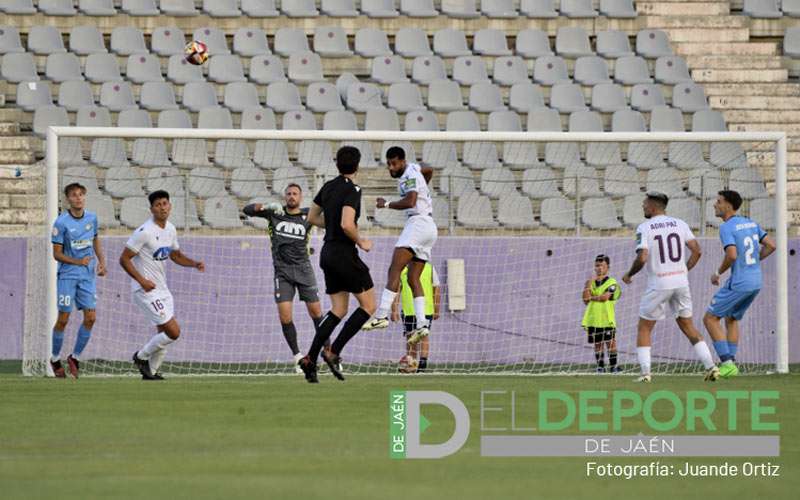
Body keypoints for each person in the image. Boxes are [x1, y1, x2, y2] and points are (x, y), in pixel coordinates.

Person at [297, 146, 377, 383]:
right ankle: (333, 352)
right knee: (369, 305)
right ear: (357, 165)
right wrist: (361, 241)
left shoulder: (328, 187)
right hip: (343, 253)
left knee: (338, 310)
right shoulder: (353, 189)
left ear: (337, 164)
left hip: (327, 253)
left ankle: (310, 358)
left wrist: (331, 226)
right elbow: (346, 224)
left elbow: (311, 218)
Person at [622, 191, 719, 383]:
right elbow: (697, 251)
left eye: (644, 204)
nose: (643, 206)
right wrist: (683, 270)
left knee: (644, 328)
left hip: (659, 283)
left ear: (652, 207)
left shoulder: (645, 227)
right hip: (681, 283)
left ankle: (645, 373)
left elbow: (642, 257)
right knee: (688, 325)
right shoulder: (680, 224)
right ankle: (711, 366)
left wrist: (629, 274)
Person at [243, 183, 333, 374]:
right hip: (282, 272)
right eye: (289, 194)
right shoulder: (275, 213)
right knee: (285, 316)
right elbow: (247, 210)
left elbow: (331, 219)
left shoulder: (309, 215)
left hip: (304, 270)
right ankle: (298, 357)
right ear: (285, 197)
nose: (292, 196)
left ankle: (329, 352)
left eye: (295, 194)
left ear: (300, 197)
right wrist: (266, 206)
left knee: (316, 313)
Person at [119, 190, 205, 380]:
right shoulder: (144, 232)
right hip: (144, 290)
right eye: (158, 205)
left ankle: (151, 372)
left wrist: (194, 263)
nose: (162, 207)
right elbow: (124, 259)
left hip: (162, 290)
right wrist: (142, 280)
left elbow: (175, 255)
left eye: (165, 203)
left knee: (162, 334)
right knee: (173, 332)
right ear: (152, 209)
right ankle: (140, 356)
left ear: (170, 206)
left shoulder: (171, 229)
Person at [363, 146, 437, 345]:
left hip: (418, 223)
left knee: (395, 268)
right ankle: (422, 324)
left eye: (394, 163)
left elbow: (411, 201)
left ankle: (382, 316)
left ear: (402, 162)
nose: (391, 167)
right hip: (430, 227)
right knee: (413, 277)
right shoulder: (414, 168)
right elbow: (429, 169)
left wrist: (386, 204)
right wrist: (424, 186)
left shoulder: (407, 177)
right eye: (388, 164)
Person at [703, 190, 776, 378]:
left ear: (728, 205)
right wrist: (754, 261)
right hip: (756, 281)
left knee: (710, 318)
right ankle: (732, 364)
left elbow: (732, 255)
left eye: (718, 201)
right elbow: (771, 245)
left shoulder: (727, 227)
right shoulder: (751, 222)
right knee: (732, 319)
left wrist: (717, 272)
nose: (715, 205)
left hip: (740, 282)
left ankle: (726, 363)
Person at [50, 182, 106, 378]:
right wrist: (77, 261)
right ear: (68, 199)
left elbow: (95, 239)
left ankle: (74, 357)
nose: (78, 198)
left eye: (81, 194)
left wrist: (102, 262)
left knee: (91, 318)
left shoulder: (92, 218)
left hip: (87, 276)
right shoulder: (61, 223)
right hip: (67, 276)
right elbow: (56, 254)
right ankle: (55, 358)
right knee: (63, 320)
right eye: (74, 195)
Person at [391, 262, 441, 373]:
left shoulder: (430, 268)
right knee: (410, 338)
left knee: (423, 335)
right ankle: (411, 363)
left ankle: (422, 364)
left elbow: (436, 288)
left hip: (425, 309)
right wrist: (394, 310)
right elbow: (397, 290)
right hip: (409, 310)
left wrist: (437, 307)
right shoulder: (402, 269)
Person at [581, 254, 621, 373]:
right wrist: (588, 285)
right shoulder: (590, 283)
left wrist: (592, 297)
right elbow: (585, 300)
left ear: (608, 267)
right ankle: (600, 367)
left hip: (607, 318)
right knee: (598, 344)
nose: (599, 268)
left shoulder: (612, 282)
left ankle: (613, 366)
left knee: (611, 342)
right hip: (593, 318)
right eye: (597, 266)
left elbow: (605, 297)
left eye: (601, 265)